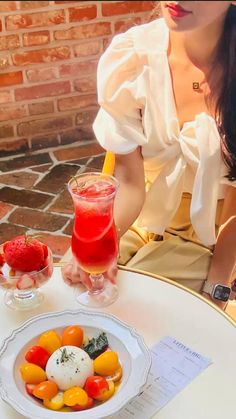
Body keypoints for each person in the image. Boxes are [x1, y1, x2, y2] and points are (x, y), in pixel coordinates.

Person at [62, 1, 236, 309]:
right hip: (142, 218)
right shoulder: (132, 59)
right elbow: (130, 184)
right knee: (73, 292)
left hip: (211, 238)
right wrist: (102, 244)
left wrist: (218, 284)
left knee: (135, 314)